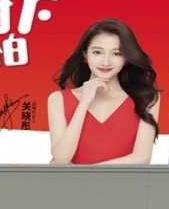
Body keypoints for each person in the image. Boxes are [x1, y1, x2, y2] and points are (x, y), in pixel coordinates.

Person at [48, 18, 160, 165]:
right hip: (75, 182)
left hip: (123, 182)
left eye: (117, 53)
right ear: (85, 55)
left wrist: (85, 174)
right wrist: (84, 103)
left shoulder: (147, 98)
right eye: (97, 52)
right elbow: (61, 160)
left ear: (126, 58)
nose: (106, 62)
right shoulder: (58, 99)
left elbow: (142, 158)